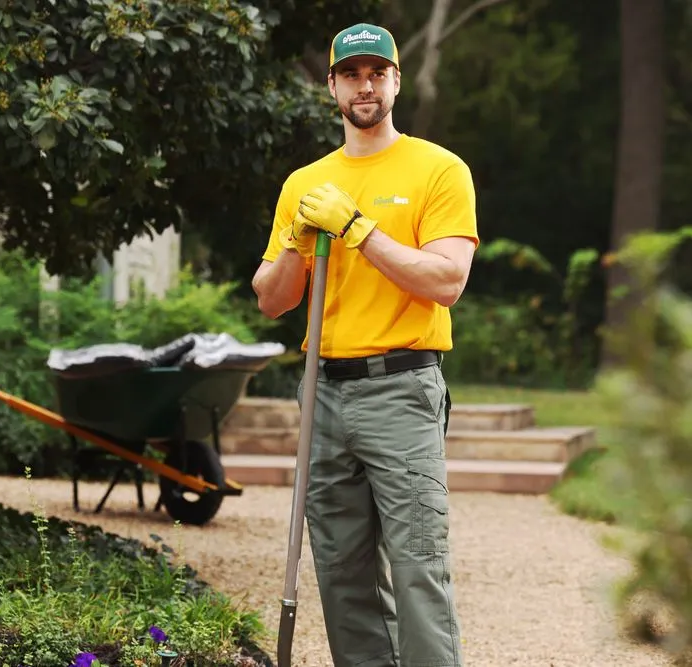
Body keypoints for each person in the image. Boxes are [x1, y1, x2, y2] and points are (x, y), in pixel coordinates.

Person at [251, 21, 479, 667]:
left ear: (397, 81)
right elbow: (273, 298)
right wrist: (299, 236)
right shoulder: (304, 183)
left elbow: (446, 280)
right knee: (342, 569)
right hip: (323, 390)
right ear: (331, 85)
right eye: (351, 73)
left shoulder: (438, 169)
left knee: (417, 564)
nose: (365, 84)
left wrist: (355, 227)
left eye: (377, 72)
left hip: (402, 386)